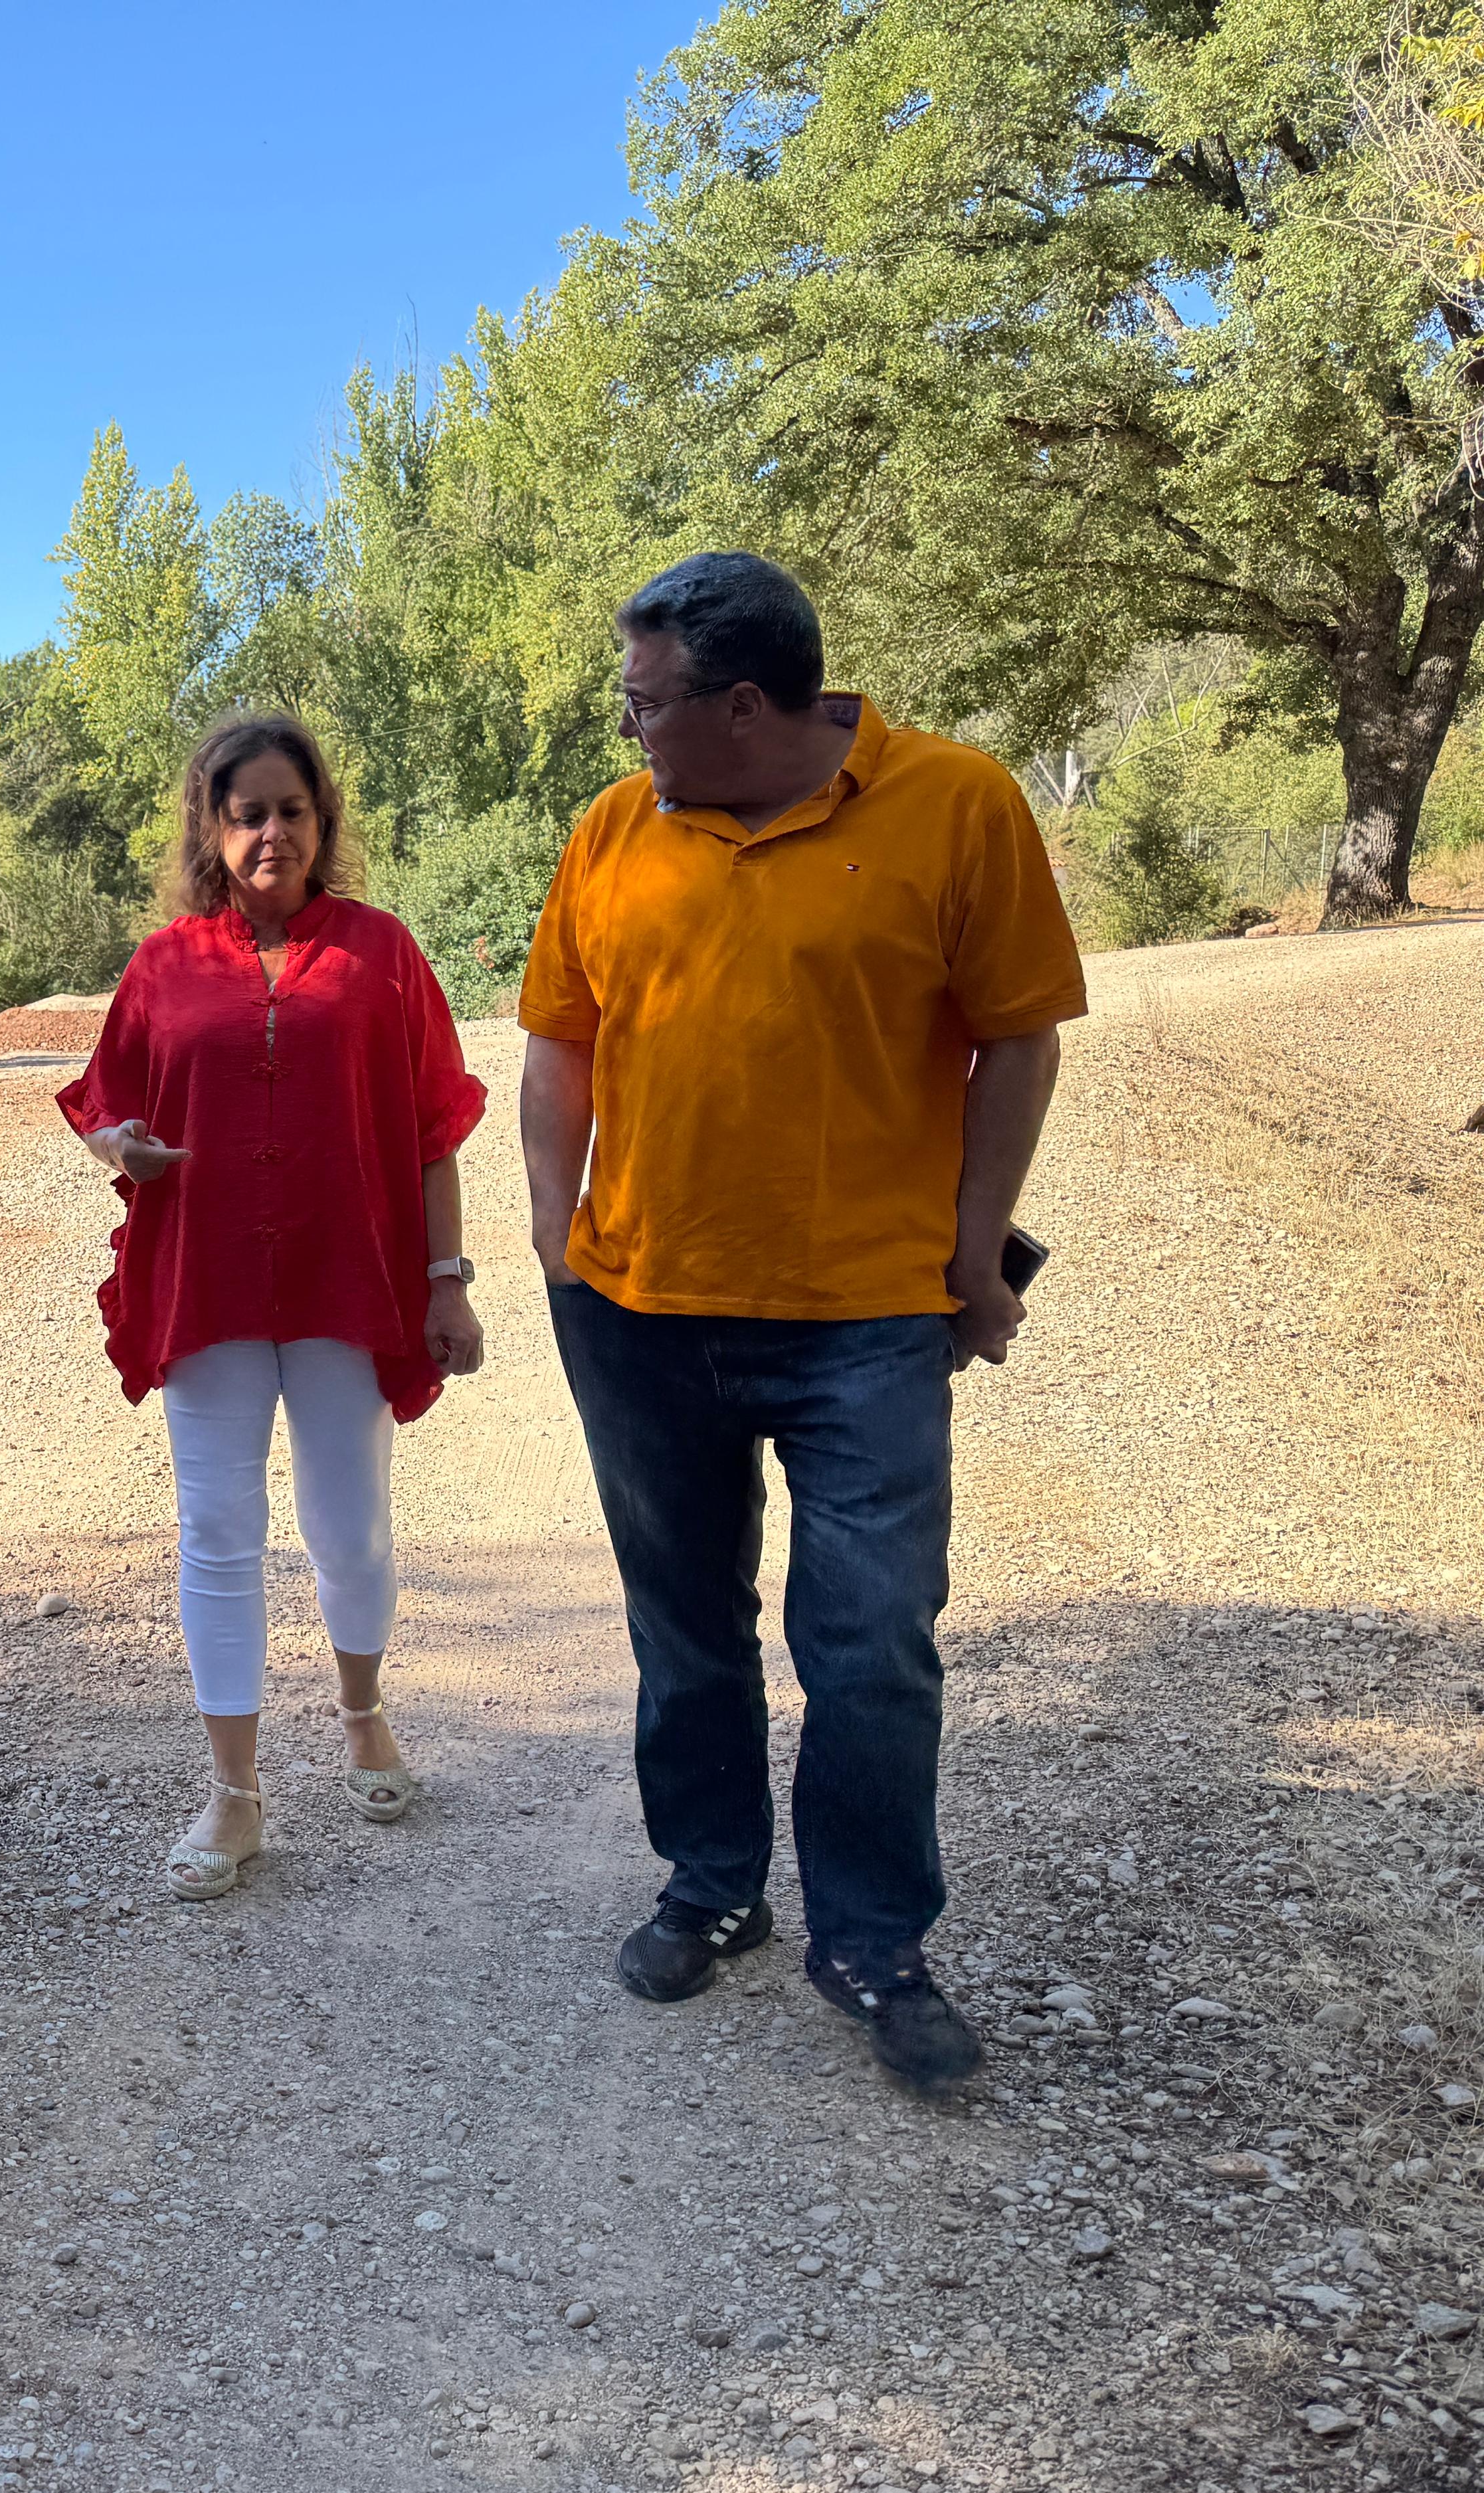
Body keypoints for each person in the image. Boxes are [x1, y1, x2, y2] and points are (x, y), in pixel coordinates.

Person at [519, 551, 1083, 2090]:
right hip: (641, 1311)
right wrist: (549, 1231)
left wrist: (973, 1257)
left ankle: (873, 1941)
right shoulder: (613, 832)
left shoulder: (955, 806)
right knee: (685, 1632)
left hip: (866, 1324)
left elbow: (1016, 1042)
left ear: (746, 706)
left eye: (645, 703)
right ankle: (712, 1890)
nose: (628, 731)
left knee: (873, 1642)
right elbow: (560, 1044)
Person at [58, 717, 488, 1900]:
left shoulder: (383, 954)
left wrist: (446, 1282)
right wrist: (121, 1151)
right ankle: (235, 1797)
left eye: (290, 809)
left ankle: (363, 1713)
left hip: (350, 1280)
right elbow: (109, 1108)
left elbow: (433, 1129)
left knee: (349, 1528)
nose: (270, 831)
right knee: (217, 1533)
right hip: (211, 1286)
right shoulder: (163, 966)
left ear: (322, 820)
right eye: (245, 812)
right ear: (211, 826)